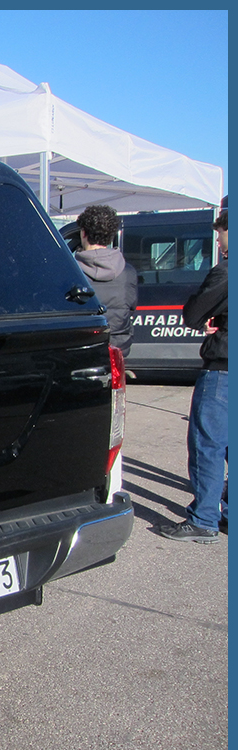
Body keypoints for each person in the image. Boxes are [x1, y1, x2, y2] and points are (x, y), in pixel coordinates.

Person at [154, 210, 228, 544]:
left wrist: (211, 319)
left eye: (221, 233)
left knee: (207, 444)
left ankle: (203, 519)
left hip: (223, 370)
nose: (218, 240)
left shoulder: (226, 271)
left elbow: (194, 312)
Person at [74, 204, 138, 356]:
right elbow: (131, 307)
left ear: (83, 233)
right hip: (117, 347)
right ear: (111, 236)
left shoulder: (71, 271)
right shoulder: (128, 271)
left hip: (82, 346)